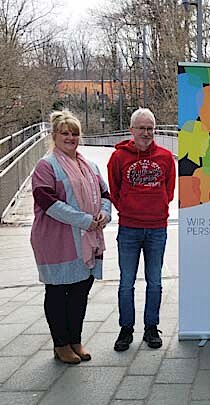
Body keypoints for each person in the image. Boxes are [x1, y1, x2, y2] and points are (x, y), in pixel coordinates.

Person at [31, 110, 111, 364]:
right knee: (57, 291)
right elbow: (48, 202)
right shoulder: (46, 166)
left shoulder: (90, 165)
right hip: (56, 240)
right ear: (54, 136)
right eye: (65, 133)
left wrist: (104, 215)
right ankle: (61, 344)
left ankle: (75, 339)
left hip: (87, 238)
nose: (70, 137)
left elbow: (105, 194)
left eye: (74, 133)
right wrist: (86, 221)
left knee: (80, 290)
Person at [107, 108, 176, 352]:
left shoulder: (166, 158)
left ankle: (151, 326)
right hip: (129, 228)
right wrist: (128, 207)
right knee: (126, 282)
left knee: (155, 281)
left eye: (150, 128)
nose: (146, 133)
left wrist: (155, 207)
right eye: (141, 128)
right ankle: (126, 328)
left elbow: (169, 191)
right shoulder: (118, 158)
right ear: (132, 130)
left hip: (157, 228)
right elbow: (114, 190)